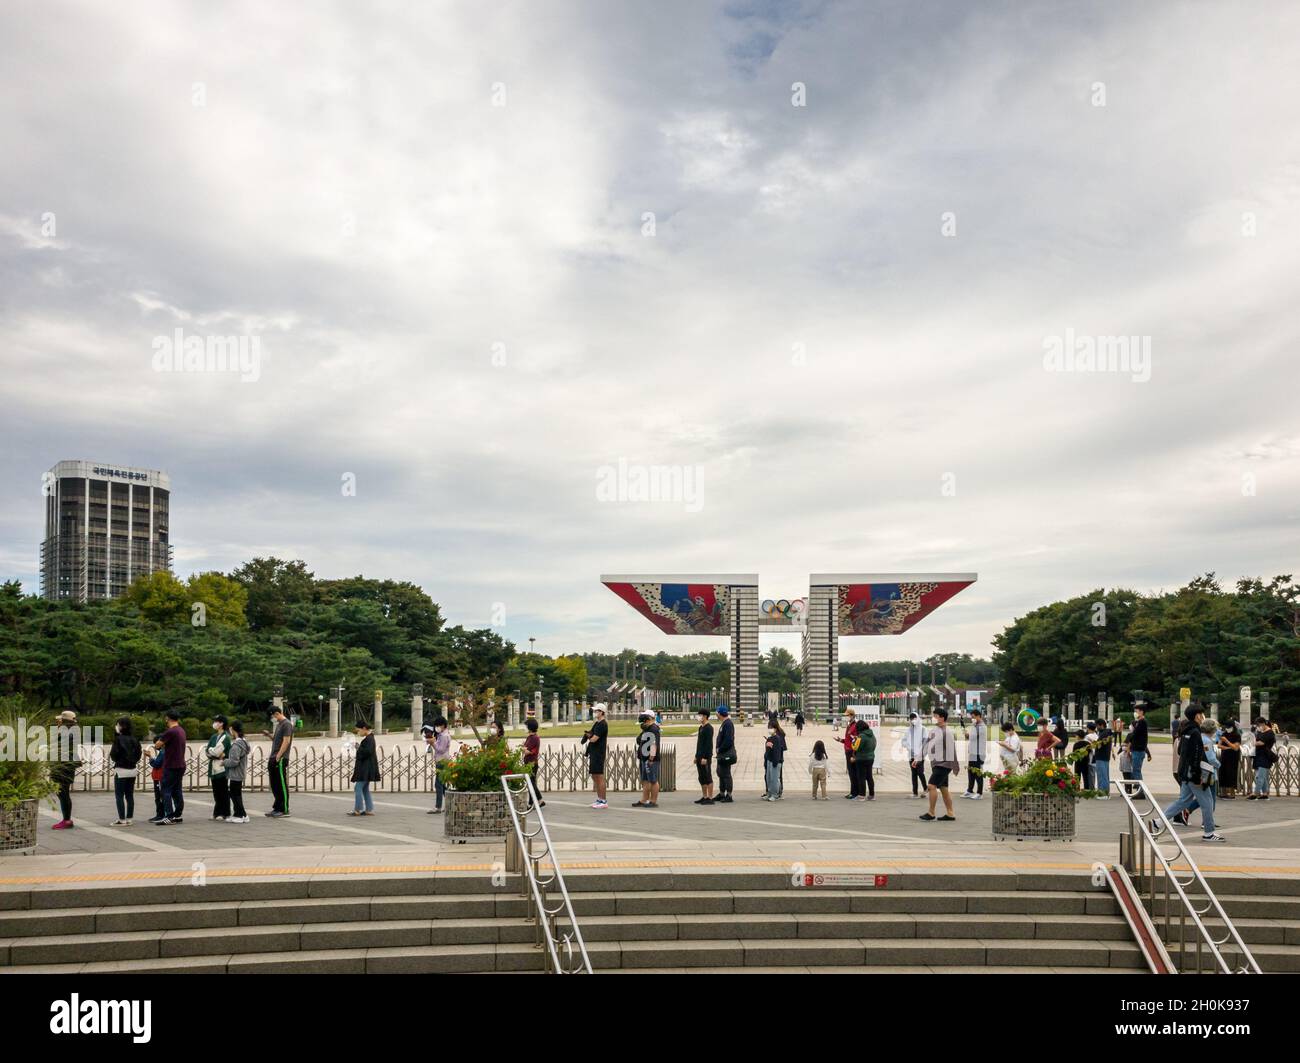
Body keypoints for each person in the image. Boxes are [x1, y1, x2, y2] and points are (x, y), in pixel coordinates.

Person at [919, 708, 959, 821]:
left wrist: (955, 766)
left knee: (931, 786)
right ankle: (950, 813)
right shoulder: (935, 730)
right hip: (937, 763)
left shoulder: (948, 732)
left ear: (942, 718)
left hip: (944, 764)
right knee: (944, 788)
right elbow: (927, 745)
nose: (933, 718)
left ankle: (931, 813)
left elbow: (952, 751)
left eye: (935, 716)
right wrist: (918, 758)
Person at [49, 710, 81, 830]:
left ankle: (66, 820)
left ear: (64, 720)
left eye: (60, 719)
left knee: (63, 792)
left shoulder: (65, 731)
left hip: (63, 765)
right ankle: (66, 819)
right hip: (67, 764)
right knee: (63, 792)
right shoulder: (73, 729)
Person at [154, 710, 187, 825]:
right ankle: (177, 814)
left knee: (166, 790)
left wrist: (160, 741)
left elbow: (157, 744)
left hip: (171, 765)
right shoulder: (181, 730)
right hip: (181, 764)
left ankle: (169, 815)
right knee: (177, 790)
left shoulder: (170, 731)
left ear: (167, 718)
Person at [108, 716, 142, 827]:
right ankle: (129, 818)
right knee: (129, 795)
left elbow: (113, 755)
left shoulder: (118, 739)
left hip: (121, 769)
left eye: (118, 724)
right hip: (132, 769)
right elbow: (138, 755)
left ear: (121, 726)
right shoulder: (135, 739)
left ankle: (121, 819)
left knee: (119, 795)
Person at [263, 706, 294, 818]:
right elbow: (277, 740)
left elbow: (286, 741)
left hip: (280, 758)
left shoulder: (287, 724)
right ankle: (277, 807)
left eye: (272, 716)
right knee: (275, 784)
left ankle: (284, 809)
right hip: (274, 756)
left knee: (281, 784)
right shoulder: (279, 725)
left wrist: (278, 756)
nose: (272, 719)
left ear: (276, 713)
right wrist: (269, 735)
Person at [347, 720, 380, 815]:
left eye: (358, 730)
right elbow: (366, 750)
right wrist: (358, 746)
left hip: (366, 769)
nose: (358, 733)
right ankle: (369, 809)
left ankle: (358, 809)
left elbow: (367, 752)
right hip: (368, 768)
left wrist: (357, 748)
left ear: (364, 729)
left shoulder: (369, 739)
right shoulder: (369, 738)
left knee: (358, 788)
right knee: (364, 788)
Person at [205, 715, 233, 821]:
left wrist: (213, 752)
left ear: (221, 723)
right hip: (213, 766)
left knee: (223, 790)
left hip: (221, 767)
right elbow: (208, 751)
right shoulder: (213, 736)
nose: (214, 723)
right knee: (216, 791)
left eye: (216, 721)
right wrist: (212, 752)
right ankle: (217, 812)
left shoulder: (226, 737)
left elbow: (216, 751)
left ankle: (225, 812)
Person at [223, 721, 251, 823]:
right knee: (236, 793)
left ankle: (240, 815)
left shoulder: (236, 745)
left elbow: (234, 761)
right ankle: (240, 814)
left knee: (235, 794)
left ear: (233, 730)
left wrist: (224, 762)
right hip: (240, 772)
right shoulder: (244, 742)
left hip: (236, 773)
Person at [581, 704, 609, 809]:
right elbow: (591, 734)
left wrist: (588, 736)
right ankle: (599, 799)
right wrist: (587, 735)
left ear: (602, 712)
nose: (595, 713)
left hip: (598, 753)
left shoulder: (602, 724)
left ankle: (603, 800)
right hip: (593, 752)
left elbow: (594, 738)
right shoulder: (597, 723)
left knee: (599, 776)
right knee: (594, 775)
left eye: (597, 711)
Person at [633, 710, 661, 808]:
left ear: (649, 719)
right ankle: (644, 799)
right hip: (643, 758)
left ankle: (653, 801)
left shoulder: (654, 729)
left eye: (643, 722)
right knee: (645, 780)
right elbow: (639, 740)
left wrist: (651, 759)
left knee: (653, 780)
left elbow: (654, 744)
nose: (642, 724)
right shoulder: (646, 729)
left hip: (651, 759)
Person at [426, 717, 451, 814]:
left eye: (438, 725)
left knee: (438, 784)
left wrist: (432, 743)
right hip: (442, 761)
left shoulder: (444, 736)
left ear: (443, 725)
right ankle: (450, 803)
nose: (437, 727)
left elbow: (440, 749)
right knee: (442, 785)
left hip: (442, 762)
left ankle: (438, 807)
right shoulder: (442, 734)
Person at [1248, 719, 1274, 800]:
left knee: (1259, 776)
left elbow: (1261, 743)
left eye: (1259, 725)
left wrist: (1254, 742)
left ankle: (1255, 793)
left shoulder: (1270, 732)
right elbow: (1256, 740)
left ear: (1263, 723)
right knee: (1262, 776)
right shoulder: (1260, 732)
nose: (1258, 727)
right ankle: (1265, 793)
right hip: (1258, 755)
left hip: (1265, 756)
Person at [714, 706, 736, 803]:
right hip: (722, 754)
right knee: (720, 773)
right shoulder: (725, 723)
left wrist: (720, 748)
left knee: (726, 774)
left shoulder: (728, 724)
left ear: (720, 713)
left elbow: (728, 740)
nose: (716, 714)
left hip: (725, 753)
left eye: (717, 712)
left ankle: (729, 795)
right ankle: (722, 793)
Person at [850, 717, 875, 801]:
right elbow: (874, 745)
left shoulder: (861, 736)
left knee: (861, 777)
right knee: (869, 777)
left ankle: (862, 795)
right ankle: (872, 795)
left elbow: (855, 747)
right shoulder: (872, 735)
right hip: (871, 758)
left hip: (861, 759)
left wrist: (854, 740)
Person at [964, 709, 987, 799]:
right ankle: (970, 790)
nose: (972, 719)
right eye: (971, 717)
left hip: (978, 753)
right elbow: (970, 737)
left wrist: (968, 733)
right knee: (970, 772)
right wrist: (966, 734)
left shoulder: (981, 726)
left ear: (978, 716)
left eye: (973, 717)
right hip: (973, 752)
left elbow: (972, 736)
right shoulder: (975, 725)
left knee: (977, 772)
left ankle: (979, 793)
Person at [522, 717, 544, 808]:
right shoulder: (530, 737)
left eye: (526, 726)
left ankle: (539, 800)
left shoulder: (534, 738)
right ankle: (532, 803)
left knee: (531, 783)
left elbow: (529, 750)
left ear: (529, 727)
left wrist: (524, 749)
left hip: (532, 763)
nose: (524, 728)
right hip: (528, 762)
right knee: (531, 782)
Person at [904, 712, 928, 798]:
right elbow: (903, 741)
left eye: (914, 718)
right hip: (911, 755)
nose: (913, 720)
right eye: (911, 719)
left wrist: (921, 752)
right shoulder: (908, 730)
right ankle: (915, 793)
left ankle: (925, 788)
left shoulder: (923, 729)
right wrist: (908, 747)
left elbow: (926, 742)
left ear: (917, 718)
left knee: (920, 773)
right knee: (913, 774)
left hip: (920, 756)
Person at [693, 709, 714, 805]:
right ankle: (704, 796)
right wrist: (696, 756)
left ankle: (710, 797)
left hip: (705, 757)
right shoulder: (701, 727)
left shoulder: (709, 728)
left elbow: (708, 744)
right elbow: (699, 744)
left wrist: (705, 757)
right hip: (699, 756)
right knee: (701, 777)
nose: (698, 717)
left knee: (707, 776)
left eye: (700, 715)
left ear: (705, 716)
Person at [763, 721, 787, 801]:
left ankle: (775, 794)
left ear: (775, 729)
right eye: (769, 728)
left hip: (775, 761)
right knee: (768, 778)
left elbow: (777, 751)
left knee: (775, 779)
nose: (769, 729)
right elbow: (768, 750)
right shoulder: (770, 738)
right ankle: (769, 793)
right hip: (769, 760)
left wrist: (775, 762)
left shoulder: (777, 738)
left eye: (771, 728)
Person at [1217, 720, 1241, 799]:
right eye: (1226, 727)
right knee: (1223, 773)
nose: (1227, 729)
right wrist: (1228, 747)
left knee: (1231, 773)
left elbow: (1236, 748)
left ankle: (1232, 793)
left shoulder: (1237, 735)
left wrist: (1226, 741)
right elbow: (1219, 746)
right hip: (1224, 756)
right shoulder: (1224, 734)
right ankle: (1223, 792)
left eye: (1229, 727)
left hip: (1233, 757)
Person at [1127, 704, 1149, 781]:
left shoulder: (1142, 722)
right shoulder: (1139, 722)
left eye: (1136, 711)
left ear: (1141, 712)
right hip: (1136, 750)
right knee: (1136, 771)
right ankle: (1139, 789)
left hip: (1138, 750)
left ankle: (1141, 790)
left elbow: (1134, 735)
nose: (1135, 713)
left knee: (1136, 771)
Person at [840, 708, 858, 799]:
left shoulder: (855, 726)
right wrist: (841, 740)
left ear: (852, 715)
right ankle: (852, 792)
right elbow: (848, 740)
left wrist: (854, 754)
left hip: (852, 752)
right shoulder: (849, 726)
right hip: (847, 751)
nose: (846, 717)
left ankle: (854, 793)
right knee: (851, 773)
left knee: (853, 773)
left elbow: (856, 740)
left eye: (847, 715)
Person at [1093, 718, 1113, 798]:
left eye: (1097, 726)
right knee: (1105, 775)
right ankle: (1106, 793)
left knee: (1102, 776)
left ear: (1101, 725)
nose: (1096, 727)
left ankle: (1102, 794)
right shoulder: (1107, 733)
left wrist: (1094, 744)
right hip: (1105, 757)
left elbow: (1099, 745)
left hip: (1101, 757)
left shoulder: (1104, 734)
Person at [1240, 723, 1256, 795]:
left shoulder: (1246, 734)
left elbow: (1242, 742)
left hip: (1246, 752)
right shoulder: (1253, 735)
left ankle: (1248, 788)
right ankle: (1249, 788)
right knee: (1250, 771)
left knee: (1247, 771)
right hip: (1251, 753)